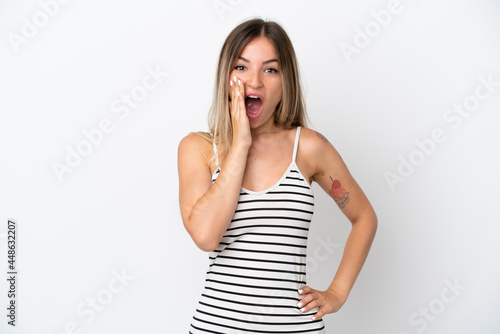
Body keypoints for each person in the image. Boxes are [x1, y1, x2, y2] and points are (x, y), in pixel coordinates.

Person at [178, 18, 377, 333]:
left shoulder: (309, 147)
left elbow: (364, 217)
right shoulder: (199, 148)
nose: (254, 82)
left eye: (270, 69)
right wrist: (241, 143)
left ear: (286, 82)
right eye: (242, 68)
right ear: (226, 76)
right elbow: (205, 236)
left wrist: (337, 292)